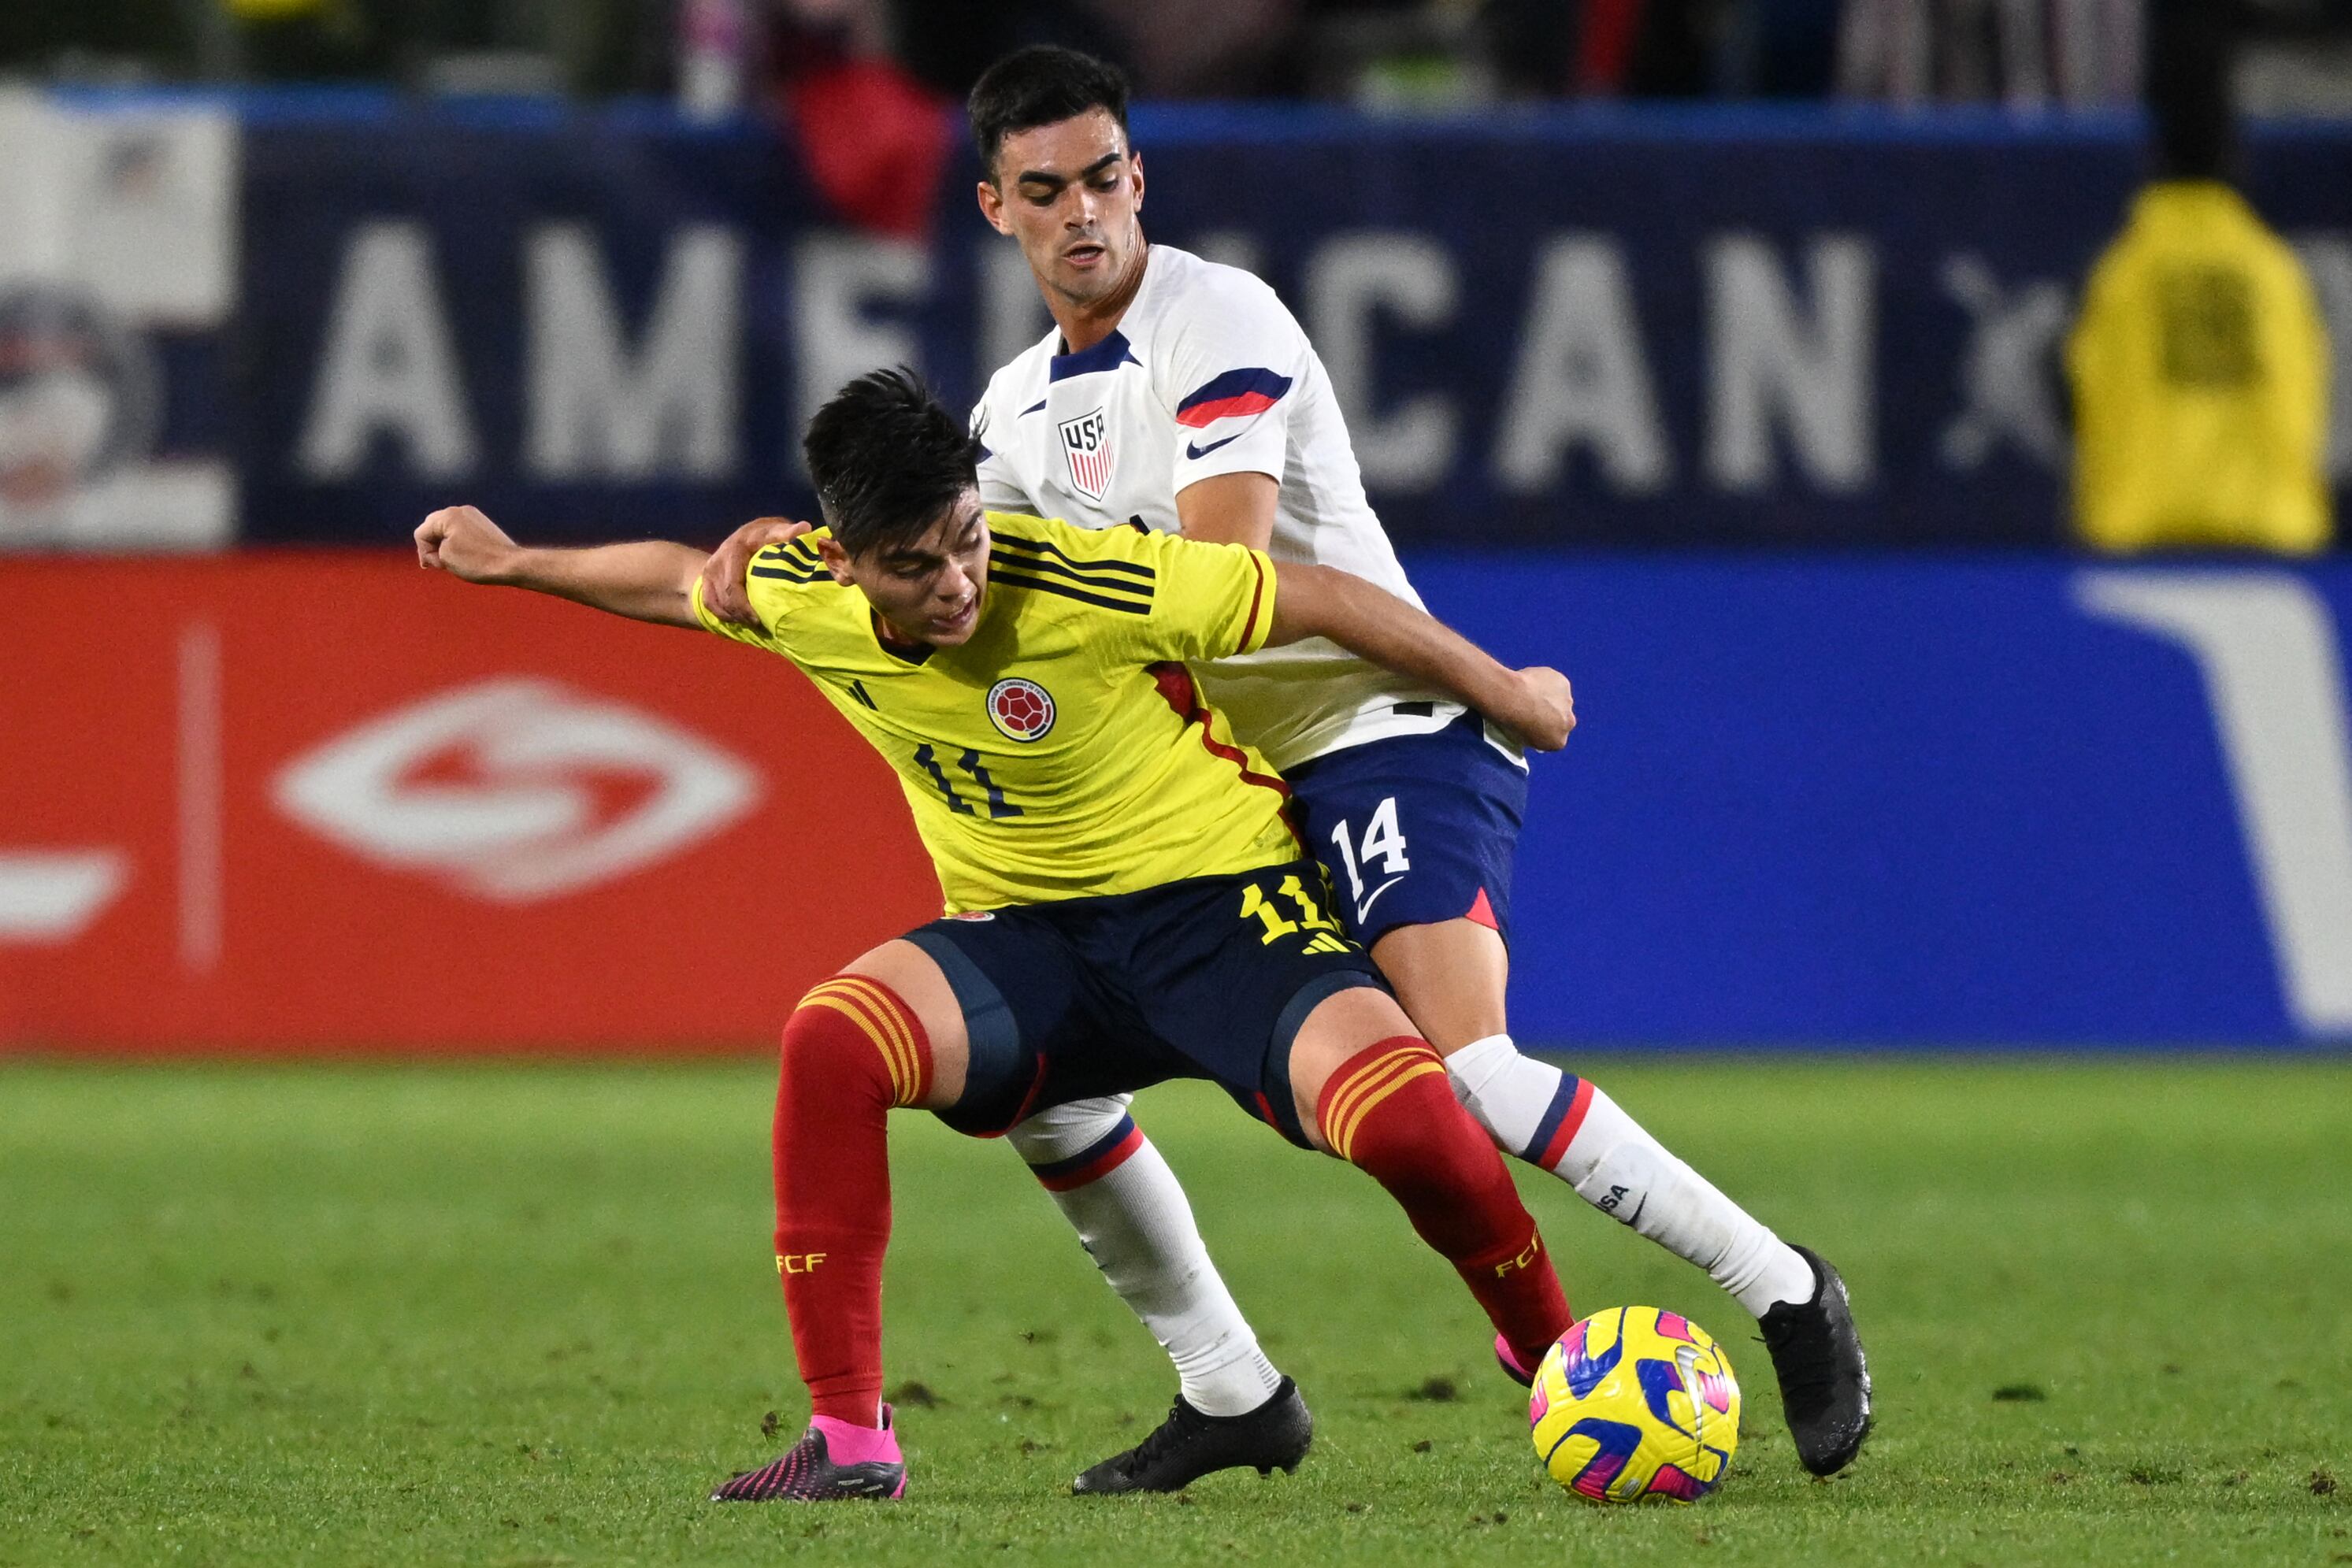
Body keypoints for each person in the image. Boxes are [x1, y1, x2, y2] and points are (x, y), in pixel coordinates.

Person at [701, 44, 1871, 1488]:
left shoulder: (1215, 317)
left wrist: (1506, 689)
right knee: (1049, 1090)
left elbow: (1229, 566)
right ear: (998, 207)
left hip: (1376, 729)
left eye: (1109, 178)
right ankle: (1230, 1387)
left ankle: (1783, 1292)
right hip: (1230, 800)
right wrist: (784, 553)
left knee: (1472, 1071)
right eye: (1048, 190)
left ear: (1143, 178)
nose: (1087, 214)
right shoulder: (1008, 412)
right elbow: (956, 564)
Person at [414, 366, 1582, 1503]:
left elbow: (1321, 596)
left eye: (966, 537)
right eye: (913, 566)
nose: (957, 581)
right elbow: (676, 581)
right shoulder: (803, 592)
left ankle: (1558, 1361)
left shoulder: (1090, 579)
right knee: (832, 1040)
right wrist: (512, 562)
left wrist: (1510, 695)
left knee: (1415, 1123)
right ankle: (849, 1436)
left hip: (1221, 913)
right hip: (1036, 943)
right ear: (843, 561)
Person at [2067, 4, 2332, 554]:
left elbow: (2078, 391)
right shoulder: (2274, 270)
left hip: (2145, 535)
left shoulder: (2124, 273)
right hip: (2271, 541)